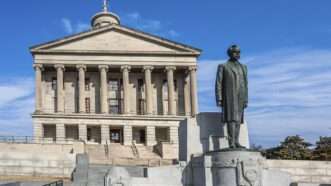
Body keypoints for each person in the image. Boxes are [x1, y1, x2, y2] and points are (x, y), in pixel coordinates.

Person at [215, 45, 248, 148]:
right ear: (230, 53)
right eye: (235, 52)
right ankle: (231, 142)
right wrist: (219, 98)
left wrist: (246, 98)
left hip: (241, 96)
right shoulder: (223, 66)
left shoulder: (243, 67)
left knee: (238, 120)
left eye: (239, 52)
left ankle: (237, 141)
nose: (237, 54)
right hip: (229, 96)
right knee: (231, 119)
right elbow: (218, 83)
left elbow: (246, 84)